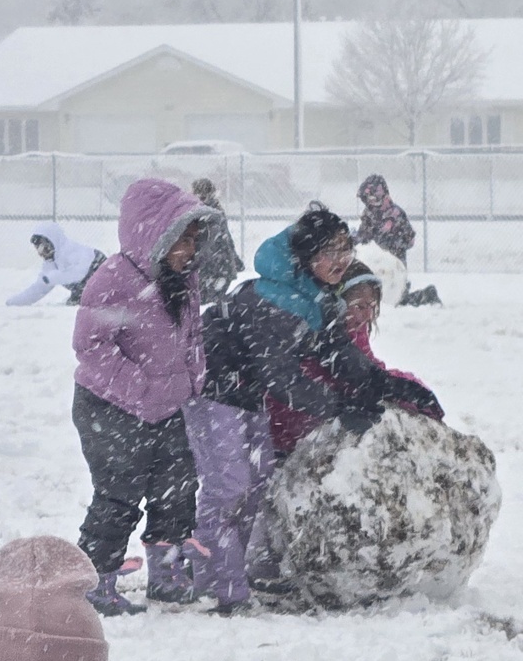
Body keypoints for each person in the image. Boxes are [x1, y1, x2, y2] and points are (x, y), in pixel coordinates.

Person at [188, 208, 444, 612]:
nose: (341, 259)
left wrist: (389, 386)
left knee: (256, 482)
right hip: (213, 391)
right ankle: (221, 583)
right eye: (330, 252)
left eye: (346, 248)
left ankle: (217, 572)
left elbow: (338, 355)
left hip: (247, 394)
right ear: (307, 257)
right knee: (231, 487)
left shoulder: (316, 296)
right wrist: (340, 406)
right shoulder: (270, 297)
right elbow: (282, 378)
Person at [72, 178, 222, 616]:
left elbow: (191, 336)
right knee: (118, 494)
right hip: (111, 407)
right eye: (182, 239)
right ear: (153, 234)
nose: (190, 249)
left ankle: (168, 574)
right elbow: (91, 346)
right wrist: (141, 389)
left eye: (195, 239)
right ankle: (95, 582)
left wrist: (193, 380)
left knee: (176, 490)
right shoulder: (114, 280)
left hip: (171, 405)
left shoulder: (182, 280)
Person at [267, 259, 444, 455]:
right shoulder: (320, 334)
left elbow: (368, 368)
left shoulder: (355, 330)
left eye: (372, 306)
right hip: (291, 425)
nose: (368, 315)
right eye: (359, 306)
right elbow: (345, 379)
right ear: (338, 304)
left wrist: (409, 386)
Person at [354, 174, 440, 307]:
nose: (371, 202)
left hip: (394, 265)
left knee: (396, 300)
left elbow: (409, 239)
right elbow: (363, 236)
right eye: (368, 199)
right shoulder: (369, 214)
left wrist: (393, 242)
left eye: (373, 198)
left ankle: (426, 294)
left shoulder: (395, 214)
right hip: (375, 265)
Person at [6, 221, 106, 306]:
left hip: (104, 280)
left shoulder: (71, 251)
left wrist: (54, 277)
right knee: (74, 303)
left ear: (51, 242)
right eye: (38, 249)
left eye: (42, 247)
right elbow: (39, 288)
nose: (40, 253)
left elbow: (79, 273)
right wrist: (13, 303)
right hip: (84, 290)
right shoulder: (51, 262)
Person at [191, 178, 244, 302]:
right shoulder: (215, 209)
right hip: (218, 262)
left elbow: (224, 236)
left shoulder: (199, 211)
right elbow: (226, 237)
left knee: (206, 299)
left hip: (211, 263)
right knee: (212, 299)